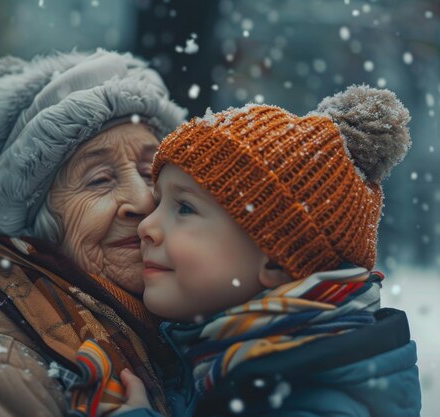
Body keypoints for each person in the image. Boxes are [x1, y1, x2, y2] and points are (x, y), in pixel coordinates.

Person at [0, 49, 188, 417]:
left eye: (149, 171)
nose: (143, 201)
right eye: (99, 180)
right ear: (37, 224)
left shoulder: (187, 333)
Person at [117, 85, 422, 416]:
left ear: (277, 260)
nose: (146, 225)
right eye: (158, 201)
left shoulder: (315, 397)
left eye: (185, 208)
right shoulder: (230, 359)